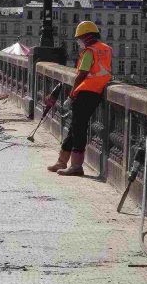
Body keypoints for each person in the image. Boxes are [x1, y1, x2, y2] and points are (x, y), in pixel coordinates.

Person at [46, 21, 112, 176]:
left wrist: (71, 95)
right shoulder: (106, 49)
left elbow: (82, 74)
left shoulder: (90, 51)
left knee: (79, 129)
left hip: (85, 92)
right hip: (96, 92)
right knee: (75, 126)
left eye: (80, 38)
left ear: (87, 36)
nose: (79, 41)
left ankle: (76, 166)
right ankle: (62, 161)